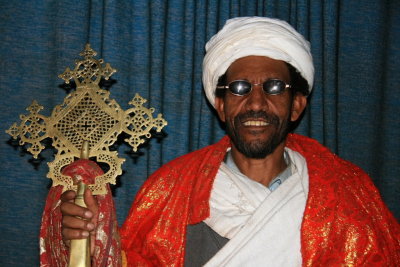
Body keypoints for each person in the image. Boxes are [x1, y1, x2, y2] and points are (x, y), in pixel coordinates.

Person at [40, 17, 400, 266]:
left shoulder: (349, 194)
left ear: (297, 105)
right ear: (221, 104)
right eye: (240, 88)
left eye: (274, 87)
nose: (256, 102)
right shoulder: (171, 189)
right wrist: (85, 240)